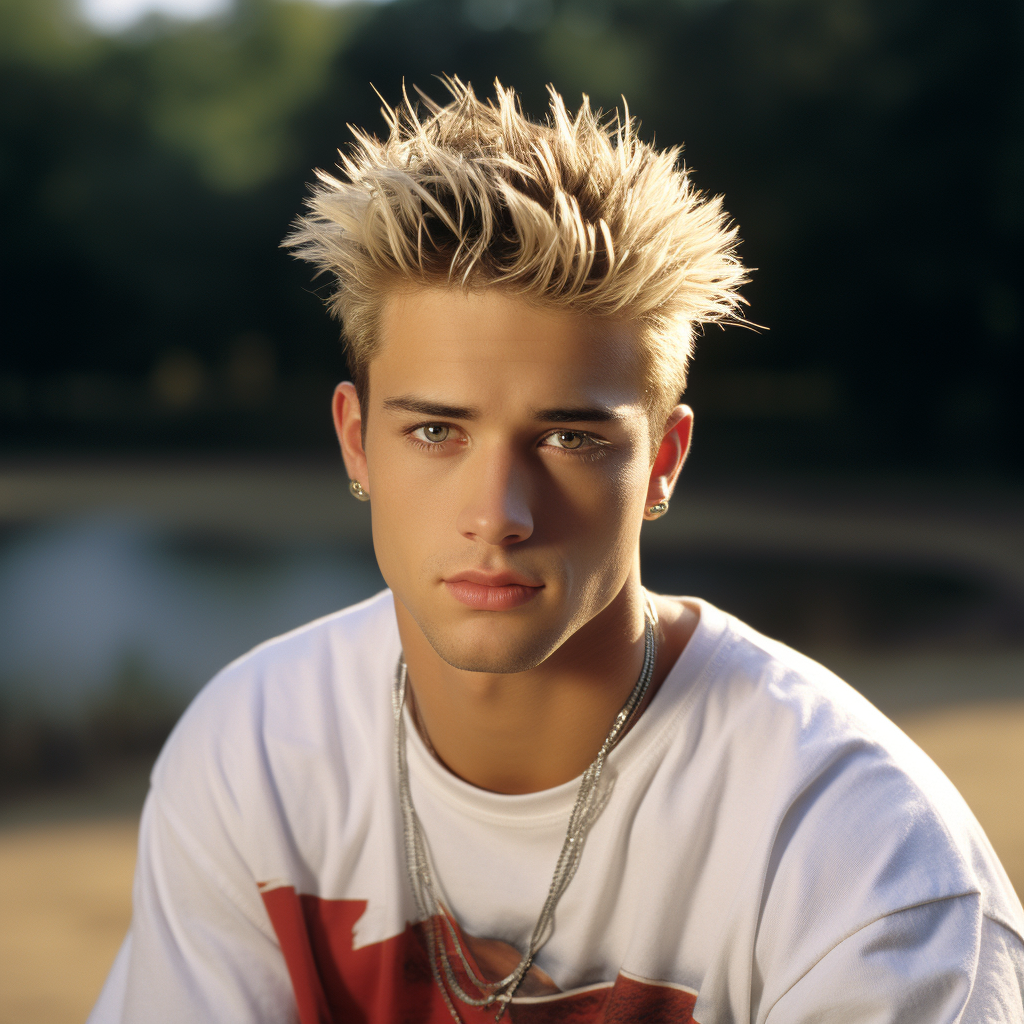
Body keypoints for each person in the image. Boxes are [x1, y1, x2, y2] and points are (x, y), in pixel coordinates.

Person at [90, 79, 1024, 1024]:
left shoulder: (857, 852)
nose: (497, 515)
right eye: (435, 433)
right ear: (355, 441)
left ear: (662, 461)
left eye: (570, 438)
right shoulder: (255, 748)